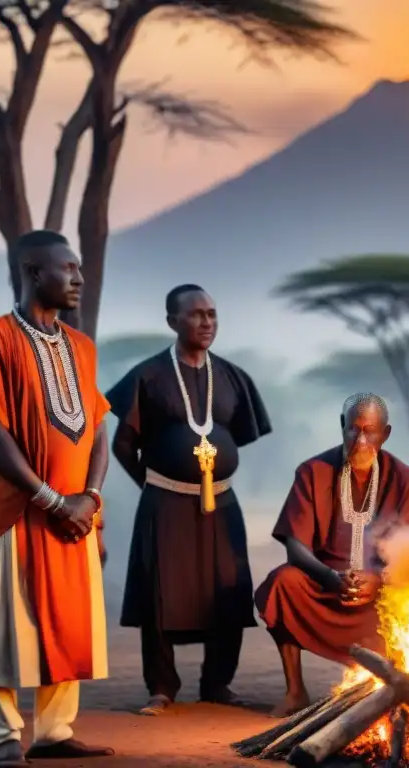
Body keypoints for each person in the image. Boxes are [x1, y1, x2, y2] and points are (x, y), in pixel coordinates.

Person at [0, 230, 113, 767]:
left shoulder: (81, 347)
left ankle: (54, 732)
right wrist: (50, 499)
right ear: (33, 272)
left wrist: (87, 497)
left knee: (69, 621)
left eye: (80, 269)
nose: (79, 279)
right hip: (17, 510)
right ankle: (3, 739)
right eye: (68, 269)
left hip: (74, 513)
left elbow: (99, 427)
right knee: (4, 625)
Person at [107, 284, 272, 716]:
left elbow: (235, 437)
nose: (206, 322)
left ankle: (218, 683)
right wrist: (154, 484)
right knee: (161, 590)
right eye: (196, 314)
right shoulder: (147, 375)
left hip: (222, 502)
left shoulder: (233, 376)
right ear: (172, 322)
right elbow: (123, 445)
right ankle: (161, 687)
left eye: (213, 314)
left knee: (228, 588)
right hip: (165, 500)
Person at [255, 393, 409, 717]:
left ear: (385, 434)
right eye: (353, 429)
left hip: (380, 589)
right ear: (342, 426)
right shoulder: (313, 471)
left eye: (370, 431)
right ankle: (295, 691)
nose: (361, 440)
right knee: (282, 583)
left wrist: (377, 580)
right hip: (325, 581)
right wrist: (330, 578)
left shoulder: (408, 481)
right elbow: (295, 546)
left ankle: (393, 690)